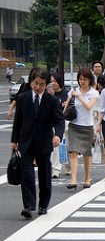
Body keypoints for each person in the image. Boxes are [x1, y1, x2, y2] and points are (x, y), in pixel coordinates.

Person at [10, 69, 65, 219]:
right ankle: (28, 205)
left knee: (44, 175)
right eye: (35, 83)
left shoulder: (52, 101)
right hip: (25, 142)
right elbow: (18, 121)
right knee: (27, 174)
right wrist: (14, 140)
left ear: (46, 85)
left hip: (44, 141)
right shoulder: (23, 98)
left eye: (41, 84)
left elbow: (59, 121)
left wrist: (58, 136)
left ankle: (43, 205)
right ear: (31, 82)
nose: (38, 87)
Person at [63, 67, 99, 190]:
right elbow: (66, 108)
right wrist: (66, 105)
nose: (82, 81)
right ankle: (73, 180)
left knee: (86, 154)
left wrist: (79, 97)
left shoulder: (94, 93)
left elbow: (89, 107)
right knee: (73, 151)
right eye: (80, 79)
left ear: (90, 80)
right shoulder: (73, 91)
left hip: (87, 126)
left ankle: (87, 178)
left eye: (85, 79)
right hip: (74, 125)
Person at [47, 73, 69, 179]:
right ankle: (56, 168)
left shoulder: (66, 94)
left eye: (55, 81)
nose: (53, 83)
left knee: (65, 146)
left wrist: (67, 105)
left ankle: (68, 164)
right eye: (51, 81)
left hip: (64, 123)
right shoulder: (49, 94)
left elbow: (73, 106)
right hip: (51, 123)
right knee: (56, 146)